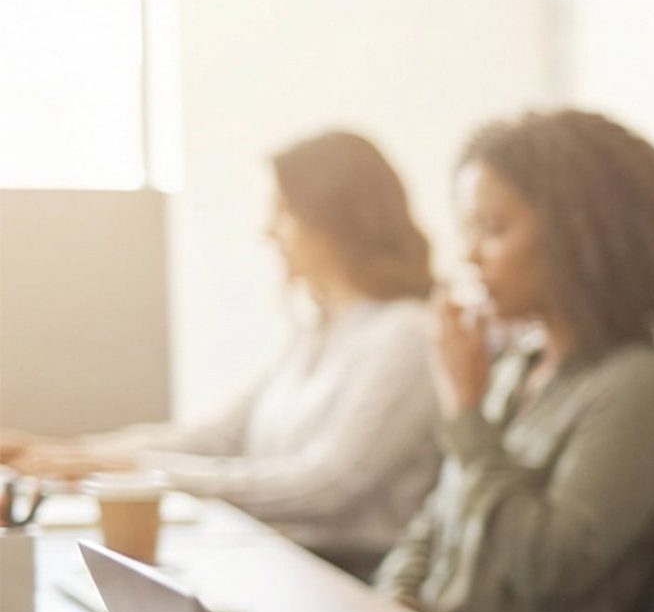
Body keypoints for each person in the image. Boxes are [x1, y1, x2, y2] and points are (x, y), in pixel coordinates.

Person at [377, 109, 654, 612]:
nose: (470, 255)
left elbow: (546, 572)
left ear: (579, 235)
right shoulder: (517, 369)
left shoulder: (641, 388)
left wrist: (467, 411)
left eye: (492, 229)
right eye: (467, 228)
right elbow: (434, 526)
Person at [0, 130, 441, 576]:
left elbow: (323, 485)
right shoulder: (317, 333)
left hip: (350, 579)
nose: (268, 231)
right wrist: (73, 454)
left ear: (338, 220)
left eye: (284, 212)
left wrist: (132, 468)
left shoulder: (406, 335)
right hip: (283, 564)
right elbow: (219, 435)